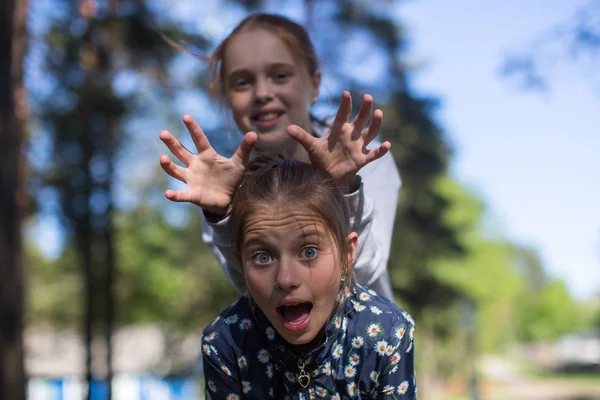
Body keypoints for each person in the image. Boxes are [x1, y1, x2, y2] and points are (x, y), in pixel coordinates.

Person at [159, 13, 401, 300]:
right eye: (243, 82)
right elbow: (251, 289)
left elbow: (363, 275)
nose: (262, 92)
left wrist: (343, 188)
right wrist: (221, 217)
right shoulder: (222, 186)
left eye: (280, 75)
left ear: (314, 84)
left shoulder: (363, 158)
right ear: (227, 98)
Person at [201, 156, 416, 399]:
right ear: (240, 261)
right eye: (263, 257)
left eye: (309, 252)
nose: (285, 279)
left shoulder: (386, 331)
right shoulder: (225, 343)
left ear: (348, 253)